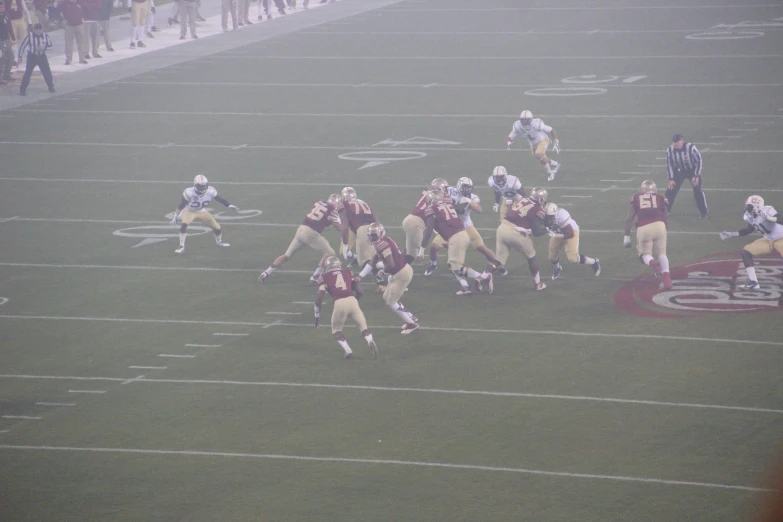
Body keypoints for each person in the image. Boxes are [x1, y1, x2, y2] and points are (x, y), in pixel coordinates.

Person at [258, 195, 349, 283]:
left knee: (287, 255)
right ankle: (316, 276)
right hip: (311, 233)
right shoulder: (332, 210)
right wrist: (343, 225)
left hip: (301, 230)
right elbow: (339, 228)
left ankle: (266, 273)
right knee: (330, 253)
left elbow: (322, 218)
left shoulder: (319, 202)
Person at [357, 222, 419, 335]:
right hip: (398, 272)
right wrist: (359, 276)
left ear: (380, 234)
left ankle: (412, 324)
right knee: (387, 297)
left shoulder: (382, 244)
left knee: (391, 302)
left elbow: (391, 265)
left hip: (401, 273)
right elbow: (372, 262)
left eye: (374, 235)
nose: (371, 237)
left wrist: (382, 272)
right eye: (371, 234)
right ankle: (410, 317)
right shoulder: (382, 241)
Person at [314, 256, 378, 359]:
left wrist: (317, 315)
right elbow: (360, 291)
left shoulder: (324, 277)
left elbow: (319, 299)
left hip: (339, 303)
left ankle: (348, 350)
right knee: (363, 328)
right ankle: (370, 340)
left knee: (336, 330)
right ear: (339, 265)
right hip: (352, 300)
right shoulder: (347, 272)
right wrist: (355, 301)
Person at [720, 195, 782, 290]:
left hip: (781, 238)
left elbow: (780, 219)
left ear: (756, 207)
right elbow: (748, 230)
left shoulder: (767, 210)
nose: (747, 209)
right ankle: (754, 282)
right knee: (746, 252)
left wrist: (769, 218)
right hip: (768, 240)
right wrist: (732, 234)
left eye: (749, 207)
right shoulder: (750, 217)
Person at [170, 175, 238, 254]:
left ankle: (219, 241)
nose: (202, 188)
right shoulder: (189, 192)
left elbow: (220, 199)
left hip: (202, 211)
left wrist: (229, 205)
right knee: (184, 225)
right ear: (195, 185)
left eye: (203, 186)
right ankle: (181, 246)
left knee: (216, 227)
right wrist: (175, 216)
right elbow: (182, 205)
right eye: (200, 186)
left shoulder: (211, 191)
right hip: (189, 211)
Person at [624, 180, 671, 290]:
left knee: (644, 254)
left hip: (644, 227)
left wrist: (626, 235)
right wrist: (665, 229)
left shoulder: (636, 198)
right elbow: (665, 215)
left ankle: (655, 267)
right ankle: (667, 281)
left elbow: (629, 219)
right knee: (662, 254)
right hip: (660, 225)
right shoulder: (660, 197)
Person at [495, 195, 548, 291]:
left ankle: (484, 276)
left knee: (499, 260)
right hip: (515, 232)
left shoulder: (524, 199)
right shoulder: (538, 208)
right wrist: (547, 229)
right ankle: (538, 284)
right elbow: (536, 232)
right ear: (540, 199)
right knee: (531, 256)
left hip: (502, 227)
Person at [543, 202, 600, 280]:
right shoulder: (546, 215)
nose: (548, 218)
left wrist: (555, 235)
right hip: (558, 232)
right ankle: (558, 268)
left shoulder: (561, 216)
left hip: (571, 232)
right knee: (552, 257)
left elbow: (570, 234)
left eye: (549, 216)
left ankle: (594, 262)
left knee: (573, 258)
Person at [506, 110, 561, 181]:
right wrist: (509, 141)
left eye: (527, 120)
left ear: (531, 119)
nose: (525, 122)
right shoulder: (518, 126)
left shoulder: (537, 124)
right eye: (523, 120)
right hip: (533, 143)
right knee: (541, 158)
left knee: (538, 154)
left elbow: (551, 130)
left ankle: (550, 173)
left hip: (543, 140)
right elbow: (511, 135)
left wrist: (555, 140)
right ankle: (556, 164)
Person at [664, 133, 708, 219]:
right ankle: (665, 211)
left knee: (697, 190)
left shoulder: (691, 148)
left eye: (678, 141)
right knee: (670, 190)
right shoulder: (670, 150)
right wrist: (671, 178)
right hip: (679, 170)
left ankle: (704, 213)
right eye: (674, 142)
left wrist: (696, 175)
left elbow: (698, 161)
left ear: (682, 141)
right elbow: (669, 164)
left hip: (692, 170)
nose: (676, 143)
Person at [18, 22, 54, 95]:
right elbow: (22, 46)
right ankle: (22, 90)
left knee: (47, 72)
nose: (38, 31)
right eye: (37, 29)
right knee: (27, 73)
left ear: (42, 29)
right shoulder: (29, 36)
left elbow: (51, 46)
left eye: (39, 29)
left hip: (42, 56)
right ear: (34, 30)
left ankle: (51, 87)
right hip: (32, 57)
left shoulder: (45, 35)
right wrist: (20, 56)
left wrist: (45, 47)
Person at [0, 1, 14, 85]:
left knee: (11, 56)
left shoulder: (5, 15)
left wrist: (11, 37)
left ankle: (6, 74)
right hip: (0, 41)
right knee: (2, 59)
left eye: (2, 7)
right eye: (0, 7)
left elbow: (8, 26)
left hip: (6, 39)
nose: (1, 9)